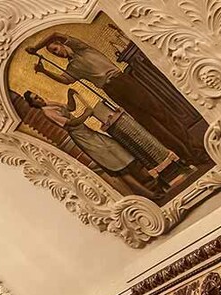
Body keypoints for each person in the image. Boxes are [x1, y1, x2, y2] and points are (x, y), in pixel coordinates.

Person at [26, 32, 209, 166]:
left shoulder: (81, 48)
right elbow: (65, 80)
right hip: (111, 89)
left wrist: (37, 47)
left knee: (160, 113)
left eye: (55, 49)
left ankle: (195, 148)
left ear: (61, 44)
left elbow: (54, 33)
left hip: (123, 81)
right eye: (53, 53)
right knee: (149, 124)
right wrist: (44, 71)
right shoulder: (73, 67)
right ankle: (186, 156)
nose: (56, 53)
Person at [22, 90, 163, 201]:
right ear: (33, 104)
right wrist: (86, 114)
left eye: (37, 96)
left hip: (90, 133)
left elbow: (70, 107)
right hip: (84, 138)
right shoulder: (47, 112)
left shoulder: (50, 104)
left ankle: (153, 183)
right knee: (116, 166)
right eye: (35, 99)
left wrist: (70, 94)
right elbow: (71, 123)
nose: (39, 98)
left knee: (122, 154)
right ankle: (148, 194)